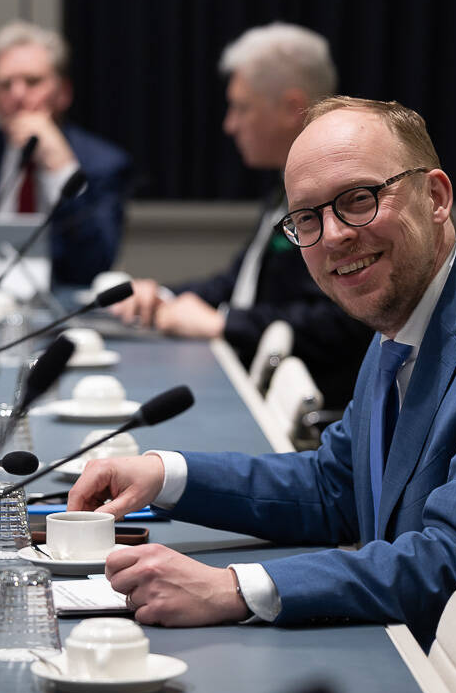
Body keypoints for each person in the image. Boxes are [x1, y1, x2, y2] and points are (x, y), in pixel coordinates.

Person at [70, 96, 456, 693]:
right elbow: (334, 485)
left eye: (359, 200)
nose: (333, 235)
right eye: (306, 217)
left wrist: (233, 587)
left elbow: (452, 561)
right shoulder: (404, 320)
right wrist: (164, 473)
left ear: (436, 197)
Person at [110, 23, 371, 406]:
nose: (229, 125)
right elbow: (238, 283)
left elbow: (345, 319)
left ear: (291, 108)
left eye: (241, 107)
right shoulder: (284, 188)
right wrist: (161, 296)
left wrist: (223, 324)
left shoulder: (341, 198)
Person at [0, 20, 131, 286]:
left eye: (32, 82)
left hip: (63, 309)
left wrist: (61, 166)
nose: (18, 94)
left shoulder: (104, 163)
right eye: (5, 85)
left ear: (63, 93)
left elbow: (95, 263)